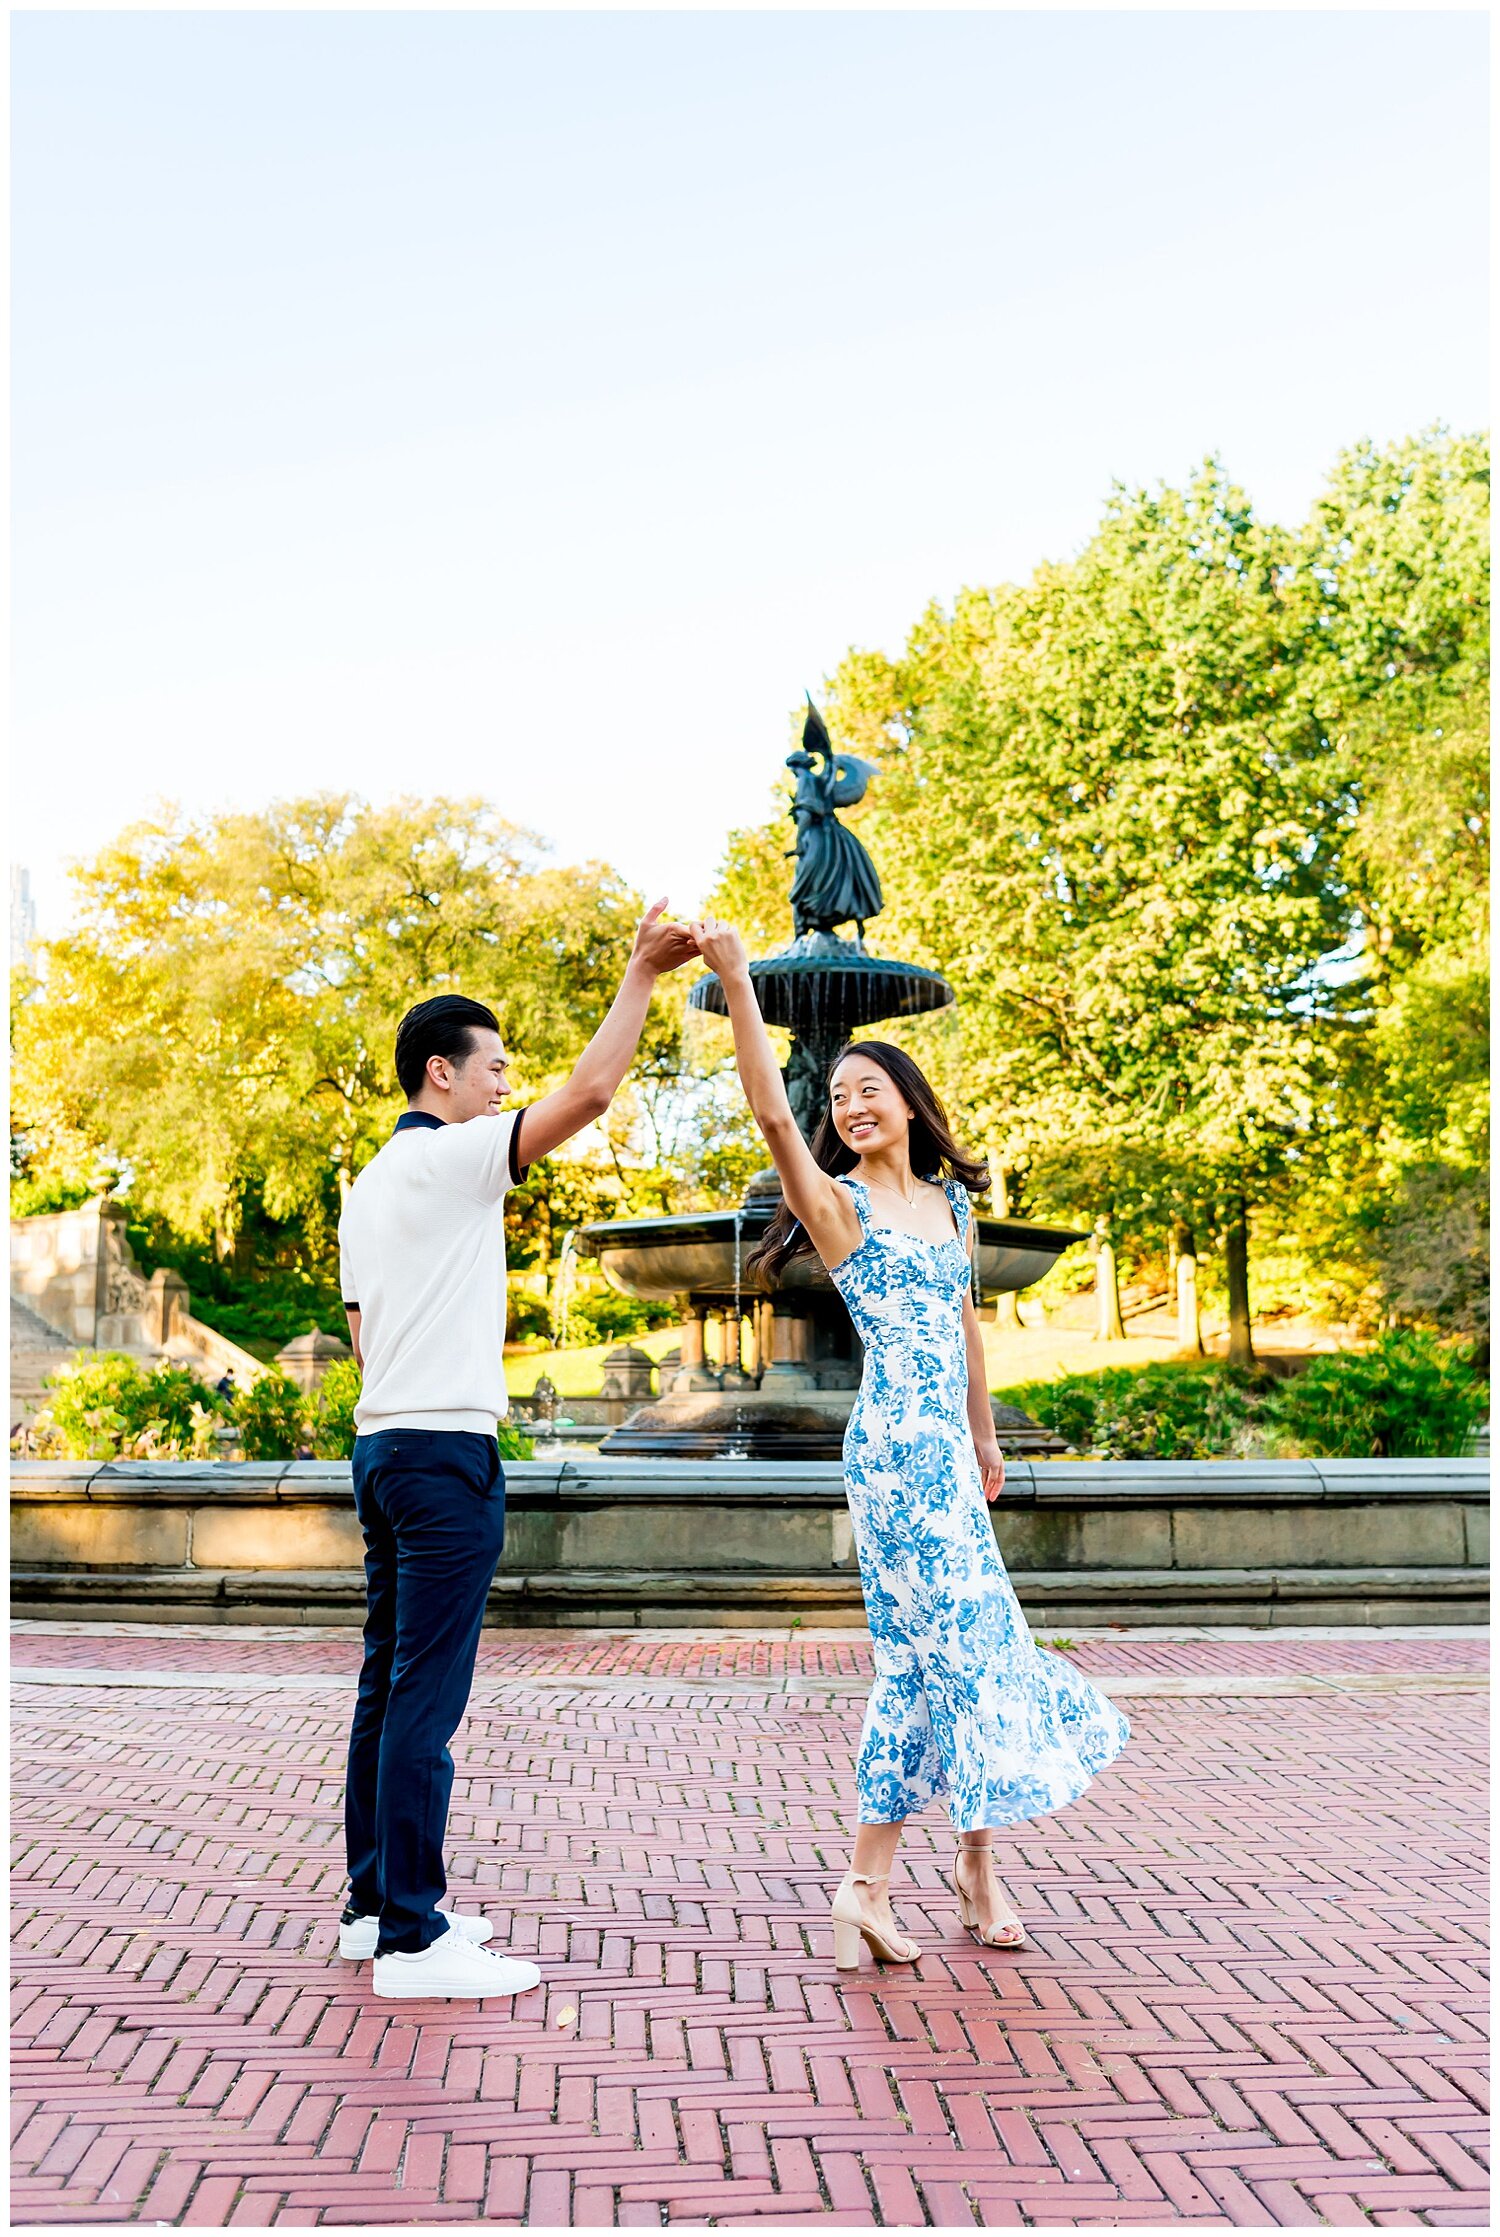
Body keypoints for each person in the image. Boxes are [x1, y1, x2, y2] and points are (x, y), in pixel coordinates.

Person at [690, 914, 1129, 1968]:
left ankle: (953, 1869)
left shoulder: (953, 1206)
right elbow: (767, 1111)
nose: (847, 1101)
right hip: (892, 1454)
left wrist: (988, 1440)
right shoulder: (835, 1206)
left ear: (907, 1095)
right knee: (932, 1656)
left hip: (948, 1450)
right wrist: (741, 983)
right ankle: (876, 1881)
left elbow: (969, 1323)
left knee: (967, 1651)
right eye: (837, 1094)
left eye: (864, 1085)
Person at [337, 901, 699, 2000]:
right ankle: (411, 1936)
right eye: (494, 1065)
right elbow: (588, 1097)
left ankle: (372, 1903)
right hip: (444, 1455)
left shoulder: (365, 1188)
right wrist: (639, 970)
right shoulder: (447, 1160)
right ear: (439, 1074)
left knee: (384, 1687)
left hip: (383, 1446)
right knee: (426, 1702)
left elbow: (361, 1336)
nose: (506, 1081)